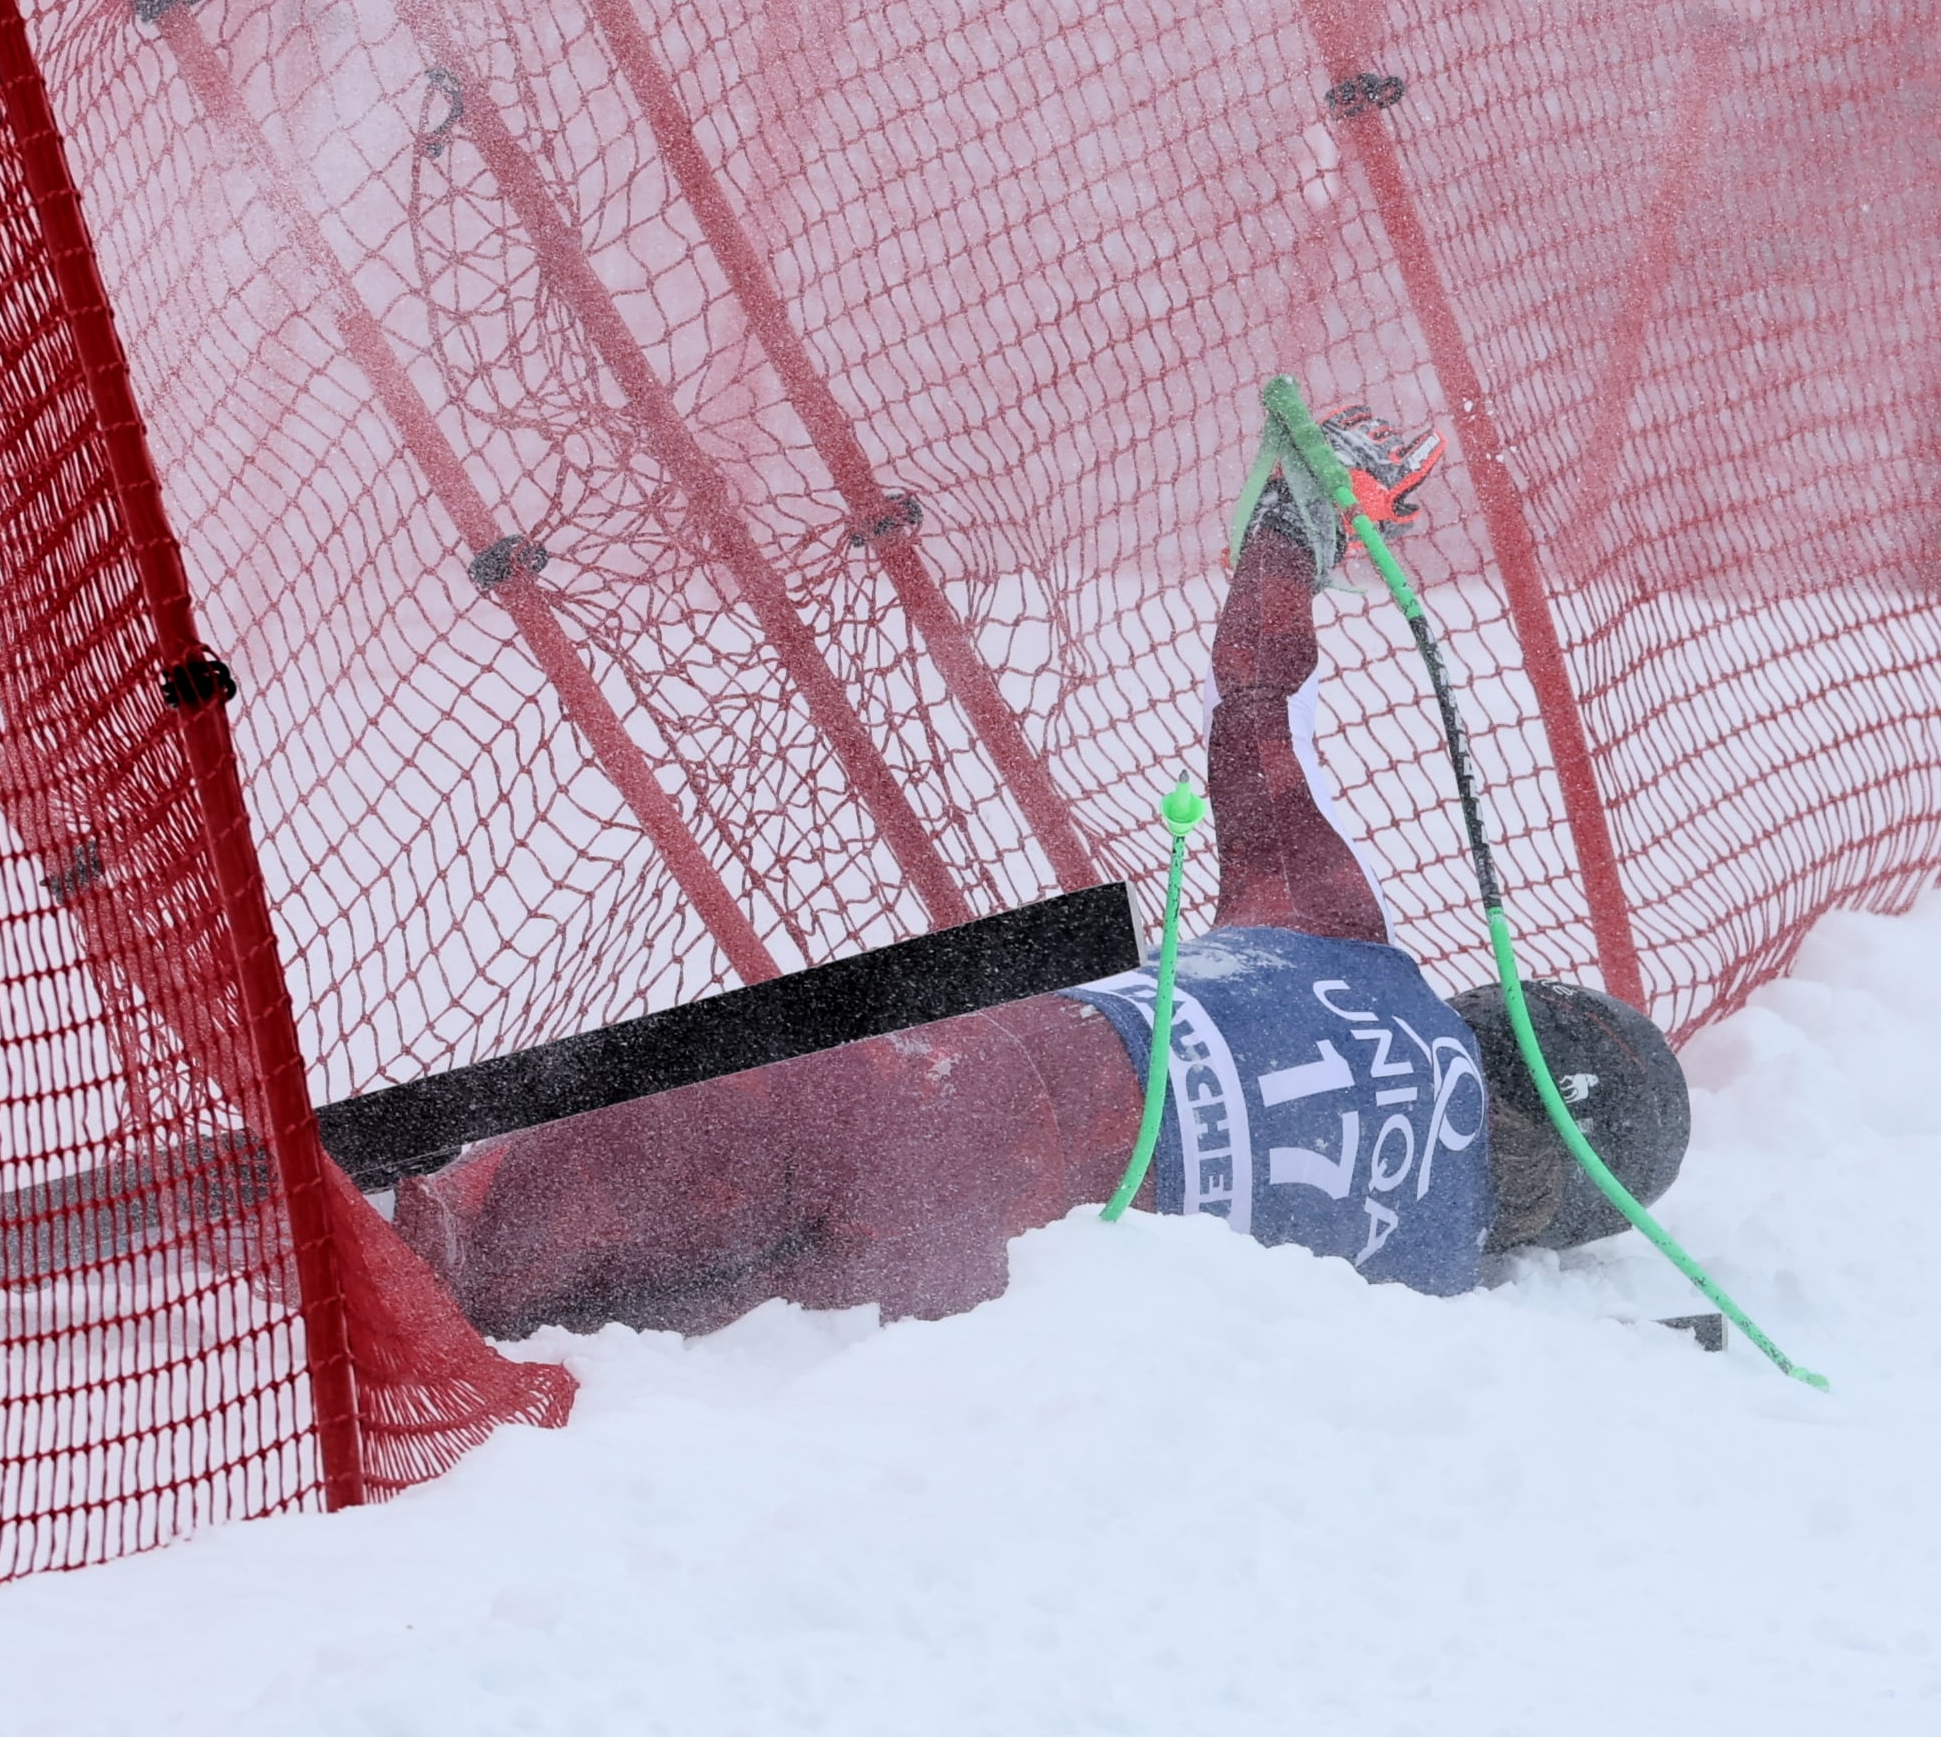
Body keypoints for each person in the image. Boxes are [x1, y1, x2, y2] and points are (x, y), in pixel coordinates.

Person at [394, 409, 1669, 1340]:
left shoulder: (1349, 947)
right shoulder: (1428, 1280)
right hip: (997, 1278)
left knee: (514, 1239)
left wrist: (1295, 527)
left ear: (1506, 1015)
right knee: (684, 1331)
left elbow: (1258, 712)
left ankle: (403, 1261)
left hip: (961, 1092)